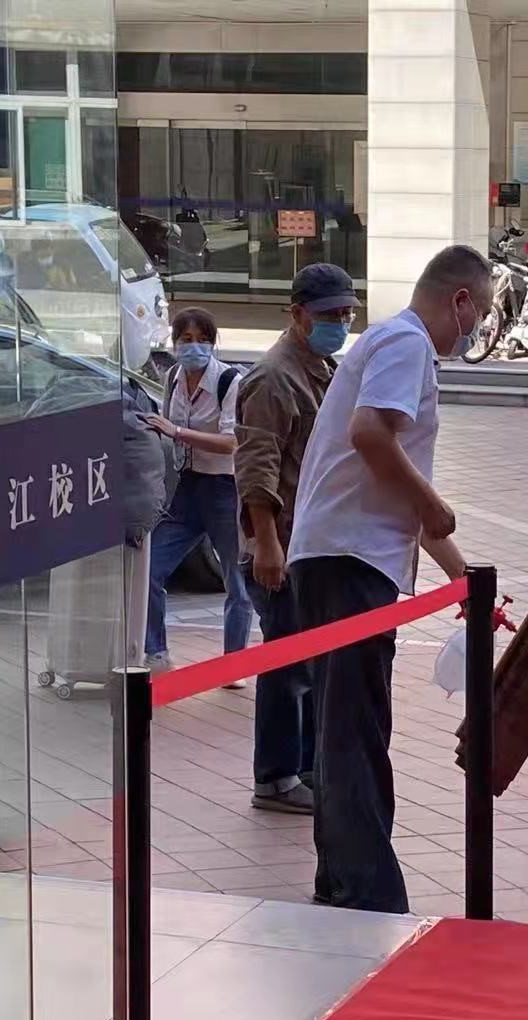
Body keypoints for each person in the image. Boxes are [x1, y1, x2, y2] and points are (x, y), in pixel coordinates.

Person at [288, 245, 488, 913]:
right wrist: (432, 502)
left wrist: (464, 580)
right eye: (482, 312)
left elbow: (393, 488)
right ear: (460, 300)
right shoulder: (406, 344)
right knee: (354, 730)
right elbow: (372, 435)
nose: (479, 328)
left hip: (338, 555)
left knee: (344, 726)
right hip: (347, 562)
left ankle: (342, 880)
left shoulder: (388, 341)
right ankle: (367, 892)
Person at [233, 264, 358, 815]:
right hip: (278, 546)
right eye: (330, 315)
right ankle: (276, 778)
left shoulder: (322, 370)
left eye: (346, 313)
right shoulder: (273, 378)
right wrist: (266, 544)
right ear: (298, 314)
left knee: (306, 664)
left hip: (308, 543)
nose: (340, 323)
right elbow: (256, 467)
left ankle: (306, 769)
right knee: (286, 668)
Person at [143, 308, 252, 684]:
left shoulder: (229, 381)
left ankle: (234, 664)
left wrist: (177, 433)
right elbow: (163, 422)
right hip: (188, 486)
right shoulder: (173, 376)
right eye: (186, 340)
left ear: (213, 342)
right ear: (174, 343)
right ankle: (156, 652)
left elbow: (232, 442)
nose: (194, 347)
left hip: (224, 488)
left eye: (202, 340)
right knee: (150, 570)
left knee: (237, 580)